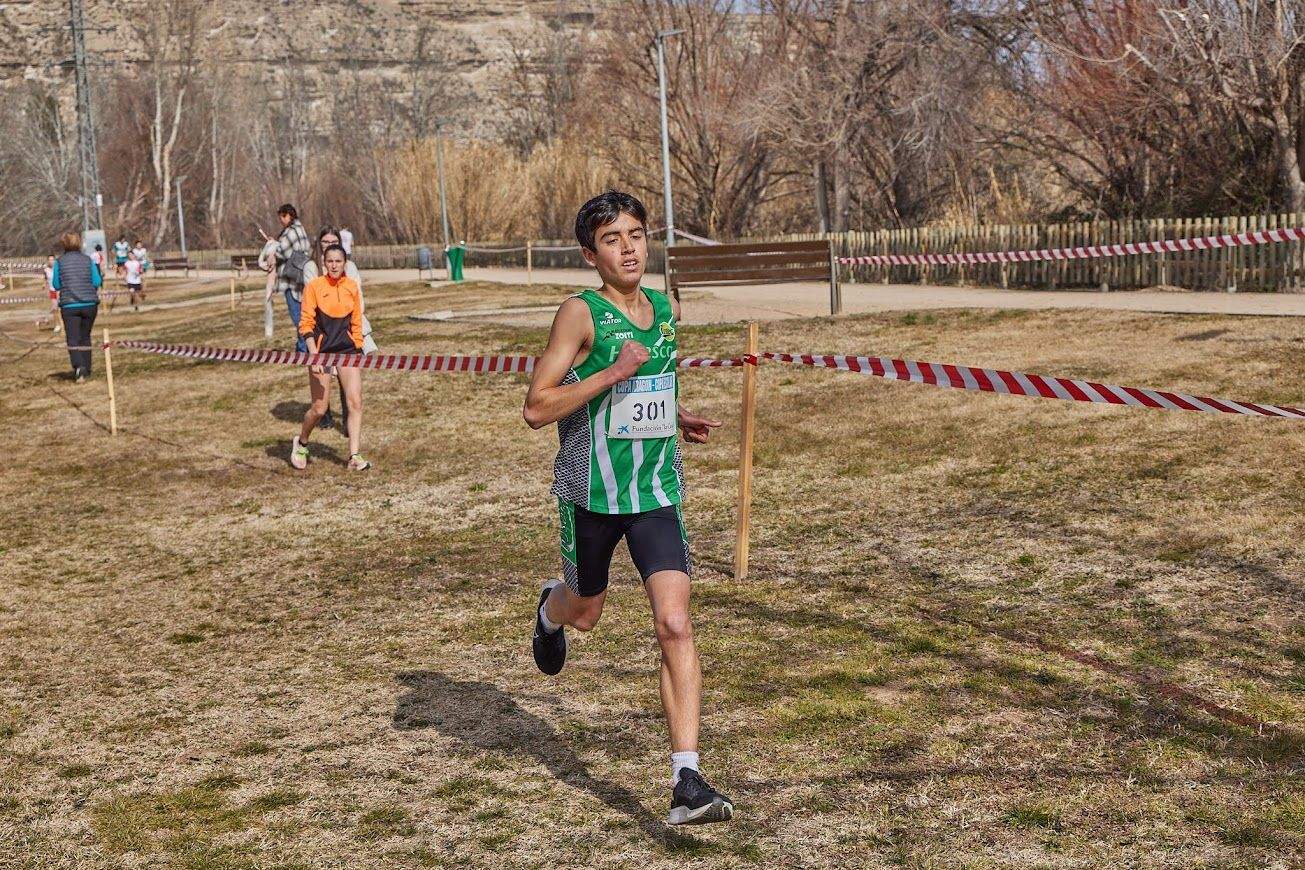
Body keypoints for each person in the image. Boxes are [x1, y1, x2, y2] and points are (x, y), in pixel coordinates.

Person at [522, 191, 729, 826]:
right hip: (593, 492)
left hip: (655, 492)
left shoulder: (663, 309)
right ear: (591, 254)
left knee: (675, 624)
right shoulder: (580, 315)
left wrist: (676, 414)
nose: (630, 247)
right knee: (586, 615)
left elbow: (651, 388)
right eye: (613, 239)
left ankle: (686, 778)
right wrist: (609, 374)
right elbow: (536, 407)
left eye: (636, 234)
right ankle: (551, 609)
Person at [290, 244, 370, 472]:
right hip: (321, 353)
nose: (334, 265)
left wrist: (357, 347)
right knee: (319, 409)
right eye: (330, 261)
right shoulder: (314, 286)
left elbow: (356, 321)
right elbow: (305, 323)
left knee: (355, 402)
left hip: (347, 352)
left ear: (345, 263)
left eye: (339, 261)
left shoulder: (351, 287)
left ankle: (354, 455)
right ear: (324, 263)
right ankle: (302, 442)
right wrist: (313, 354)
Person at [51, 232, 103, 381]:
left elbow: (56, 284)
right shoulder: (88, 260)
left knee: (73, 339)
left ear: (63, 245)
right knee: (85, 337)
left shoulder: (59, 262)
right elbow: (97, 281)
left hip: (69, 305)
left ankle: (79, 367)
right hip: (90, 304)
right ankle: (87, 368)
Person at [43, 254, 60, 333]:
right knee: (55, 308)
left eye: (52, 260)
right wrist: (44, 286)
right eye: (50, 260)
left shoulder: (58, 268)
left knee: (61, 308)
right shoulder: (46, 270)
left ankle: (64, 323)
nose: (51, 261)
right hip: (52, 291)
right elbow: (46, 280)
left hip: (60, 291)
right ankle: (57, 324)